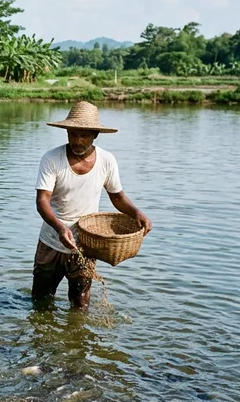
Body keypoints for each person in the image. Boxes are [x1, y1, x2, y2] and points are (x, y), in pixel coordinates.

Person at [32, 101, 152, 309]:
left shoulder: (107, 161)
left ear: (95, 135)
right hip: (52, 241)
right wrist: (60, 227)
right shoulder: (52, 159)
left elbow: (117, 198)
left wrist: (136, 212)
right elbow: (42, 201)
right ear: (67, 132)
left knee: (80, 304)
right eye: (73, 134)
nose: (77, 140)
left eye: (84, 135)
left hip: (85, 244)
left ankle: (76, 339)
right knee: (40, 301)